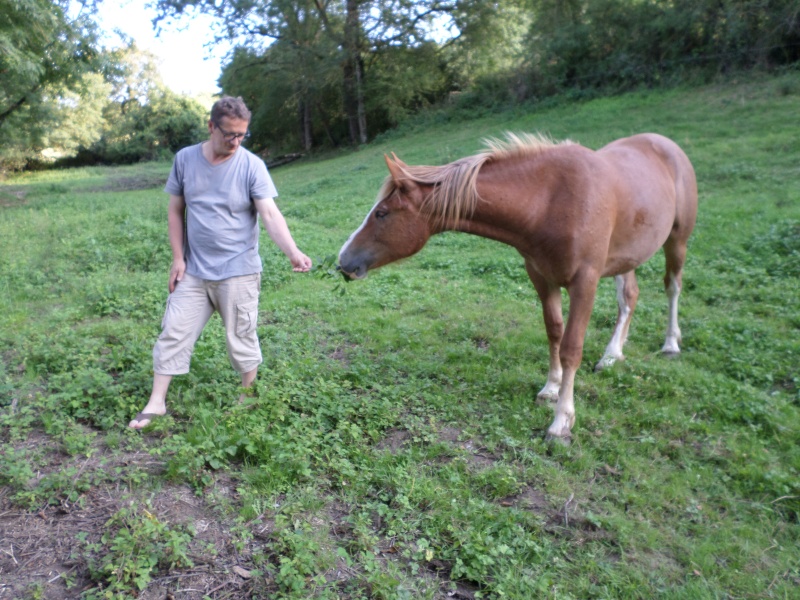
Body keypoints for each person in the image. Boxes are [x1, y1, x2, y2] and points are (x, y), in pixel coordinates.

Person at [129, 96, 312, 429]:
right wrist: (178, 258)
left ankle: (248, 396)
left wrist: (293, 252)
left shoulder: (251, 165)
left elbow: (269, 213)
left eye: (242, 135)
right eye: (229, 133)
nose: (235, 141)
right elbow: (175, 210)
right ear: (212, 126)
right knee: (174, 330)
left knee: (241, 335)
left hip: (238, 270)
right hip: (195, 270)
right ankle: (156, 404)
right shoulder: (185, 159)